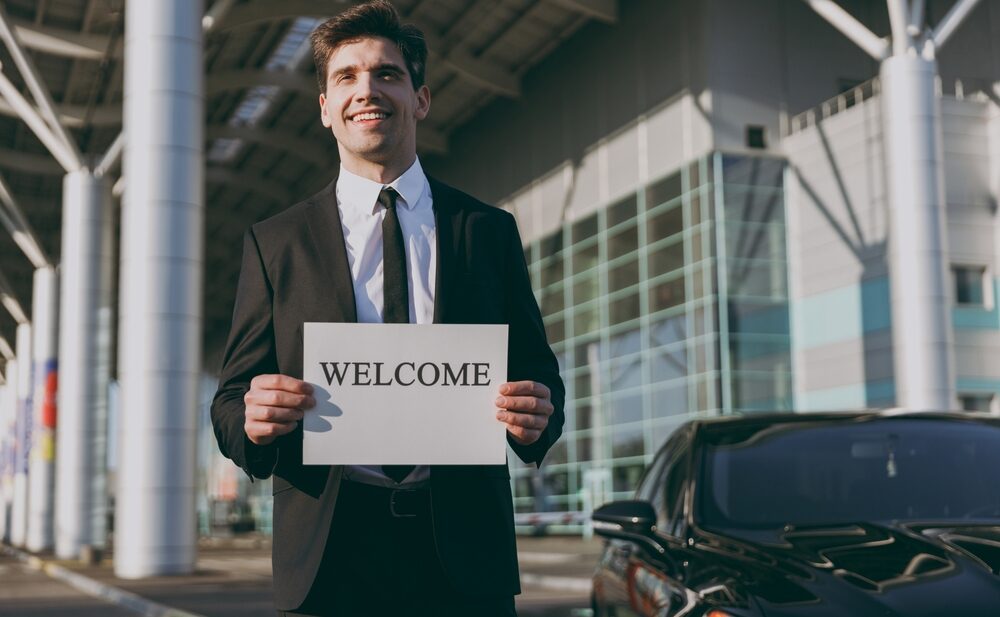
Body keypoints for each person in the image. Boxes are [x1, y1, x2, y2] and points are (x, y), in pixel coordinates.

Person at [210, 2, 565, 615]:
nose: (366, 90)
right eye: (345, 77)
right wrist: (252, 418)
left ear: (421, 99)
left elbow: (540, 378)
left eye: (387, 74)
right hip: (331, 553)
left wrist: (537, 416)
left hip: (462, 553)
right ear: (324, 108)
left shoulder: (486, 231)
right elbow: (230, 402)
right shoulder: (276, 243)